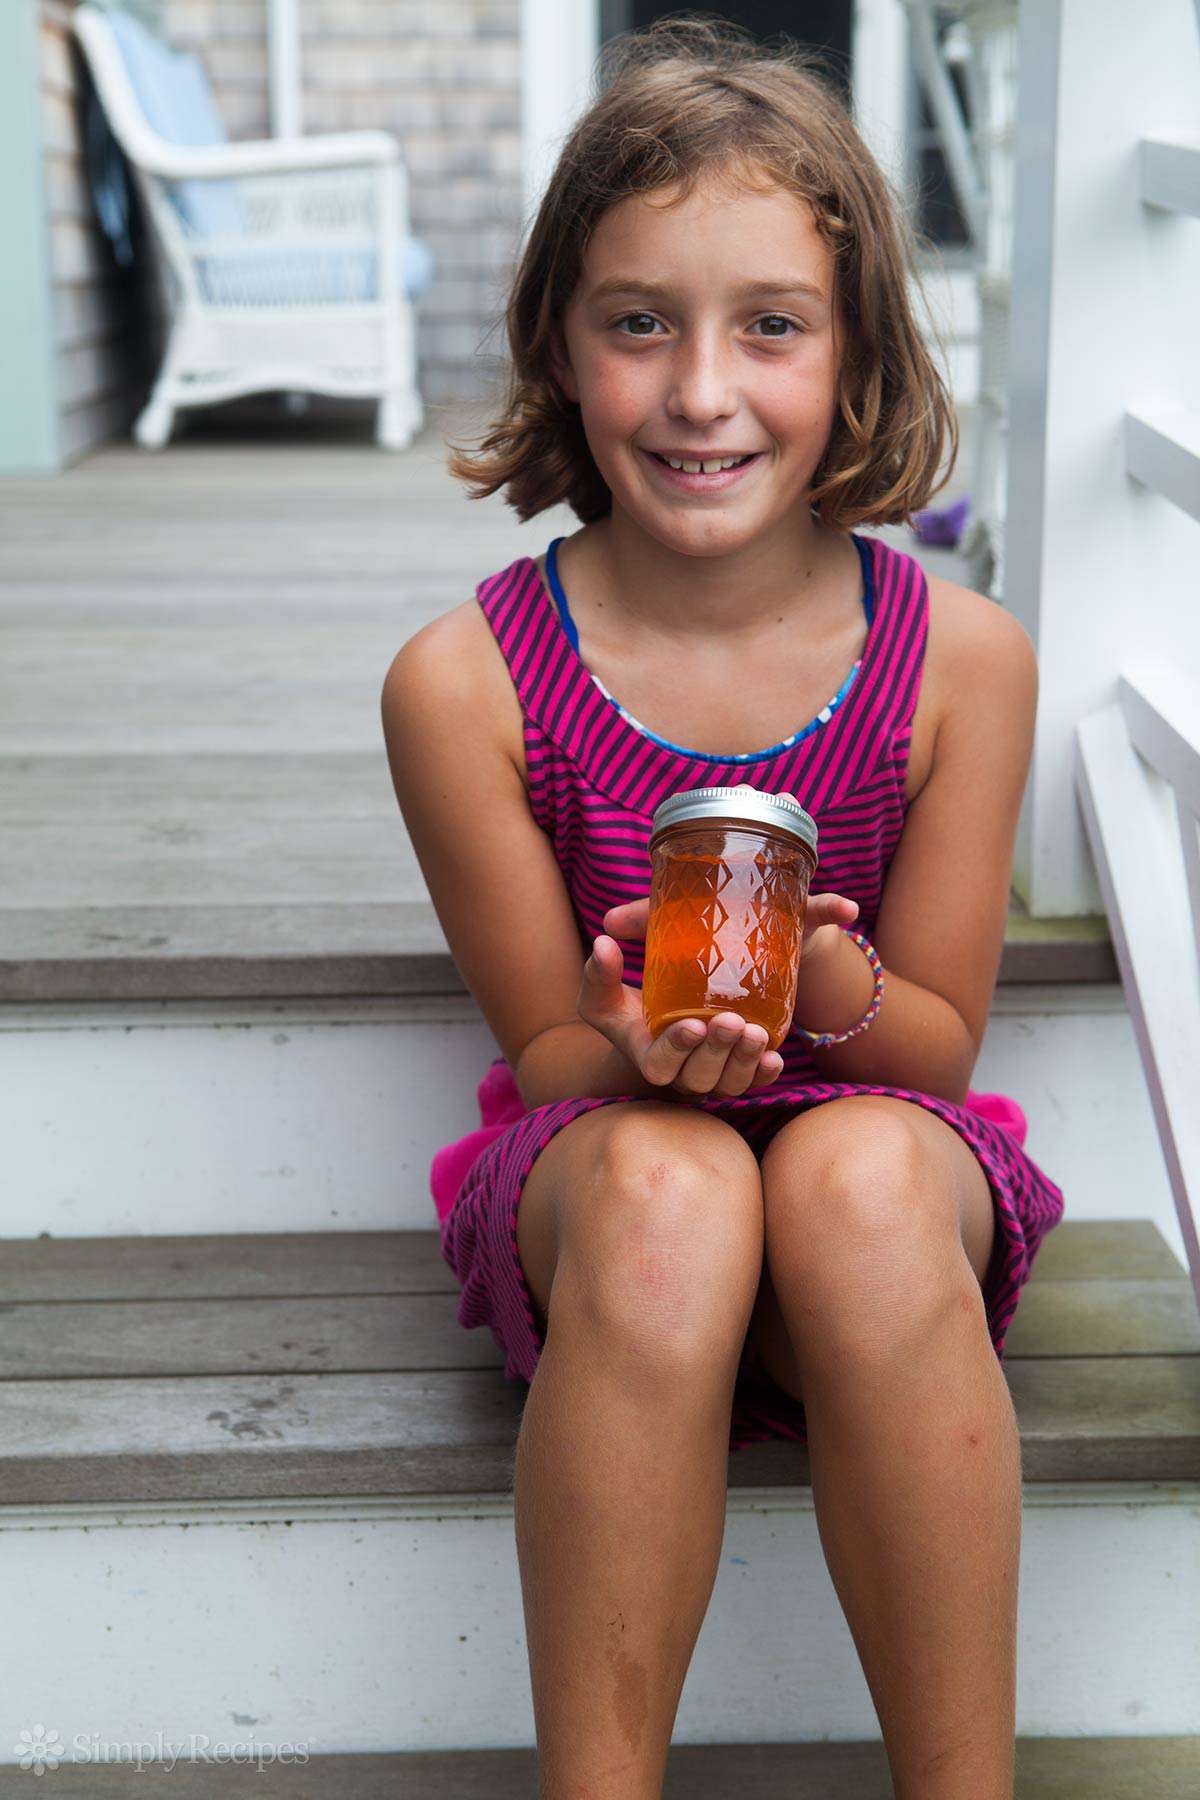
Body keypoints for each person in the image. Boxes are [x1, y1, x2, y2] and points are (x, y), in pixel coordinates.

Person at [381, 18, 1064, 1797]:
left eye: (771, 324)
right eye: (638, 323)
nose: (701, 392)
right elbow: (541, 1055)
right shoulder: (467, 686)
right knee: (681, 1191)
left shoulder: (961, 664)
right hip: (613, 1190)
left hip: (876, 1165)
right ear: (559, 340)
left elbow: (937, 1045)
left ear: (854, 356)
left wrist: (827, 976)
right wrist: (617, 1044)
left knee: (845, 1178)